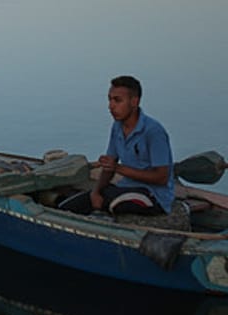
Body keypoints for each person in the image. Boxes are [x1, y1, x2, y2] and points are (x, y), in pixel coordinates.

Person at [60, 75, 174, 215]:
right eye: (110, 99)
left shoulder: (154, 132)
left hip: (153, 195)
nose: (111, 106)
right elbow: (109, 166)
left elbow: (162, 178)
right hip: (127, 187)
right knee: (68, 206)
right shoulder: (117, 127)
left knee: (115, 203)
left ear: (134, 102)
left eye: (117, 100)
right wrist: (96, 192)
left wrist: (118, 168)